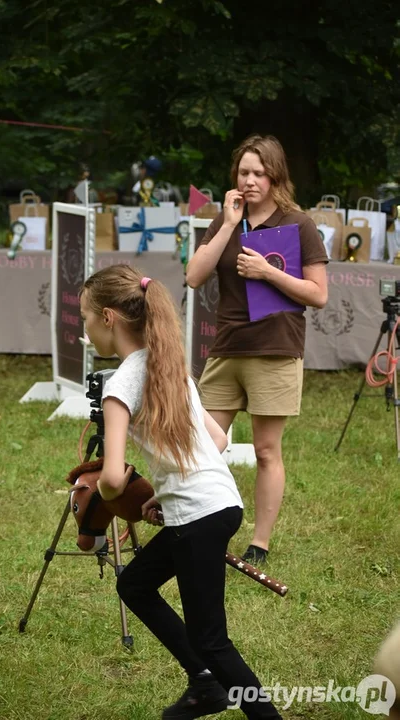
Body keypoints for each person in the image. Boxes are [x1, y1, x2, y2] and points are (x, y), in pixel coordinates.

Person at [79, 265, 283, 720]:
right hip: (217, 504)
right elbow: (218, 440)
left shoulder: (119, 386)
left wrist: (112, 496)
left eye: (86, 318)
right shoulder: (167, 365)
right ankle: (205, 682)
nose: (85, 328)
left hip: (197, 517)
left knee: (213, 640)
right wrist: (166, 491)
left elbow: (111, 478)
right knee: (134, 582)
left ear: (109, 318)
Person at [186, 134, 328, 566]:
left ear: (275, 176)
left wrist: (268, 272)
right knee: (204, 444)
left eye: (258, 174)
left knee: (266, 450)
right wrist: (228, 224)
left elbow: (317, 294)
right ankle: (200, 525)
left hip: (275, 349)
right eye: (243, 173)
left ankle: (259, 543)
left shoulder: (297, 224)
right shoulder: (226, 218)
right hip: (228, 347)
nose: (249, 181)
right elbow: (193, 276)